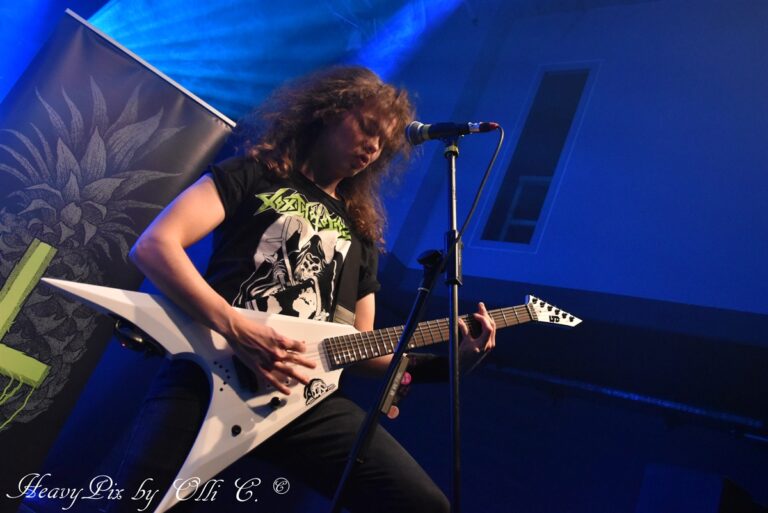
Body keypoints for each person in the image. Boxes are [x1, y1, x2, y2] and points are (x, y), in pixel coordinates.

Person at [117, 65, 496, 513]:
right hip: (211, 372)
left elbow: (363, 348)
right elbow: (155, 245)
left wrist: (451, 364)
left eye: (383, 142)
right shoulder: (254, 173)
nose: (373, 147)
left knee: (425, 506)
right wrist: (236, 326)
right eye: (367, 127)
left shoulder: (361, 234)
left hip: (307, 400)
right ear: (327, 112)